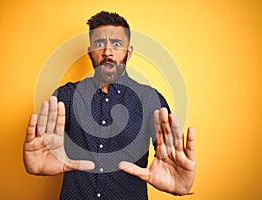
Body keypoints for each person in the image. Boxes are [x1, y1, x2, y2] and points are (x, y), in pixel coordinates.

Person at [23, 11, 195, 199]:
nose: (107, 52)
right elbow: (45, 146)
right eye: (99, 44)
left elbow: (168, 155)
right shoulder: (66, 96)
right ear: (90, 52)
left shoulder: (150, 100)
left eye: (116, 43)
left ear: (128, 53)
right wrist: (39, 165)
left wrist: (176, 179)